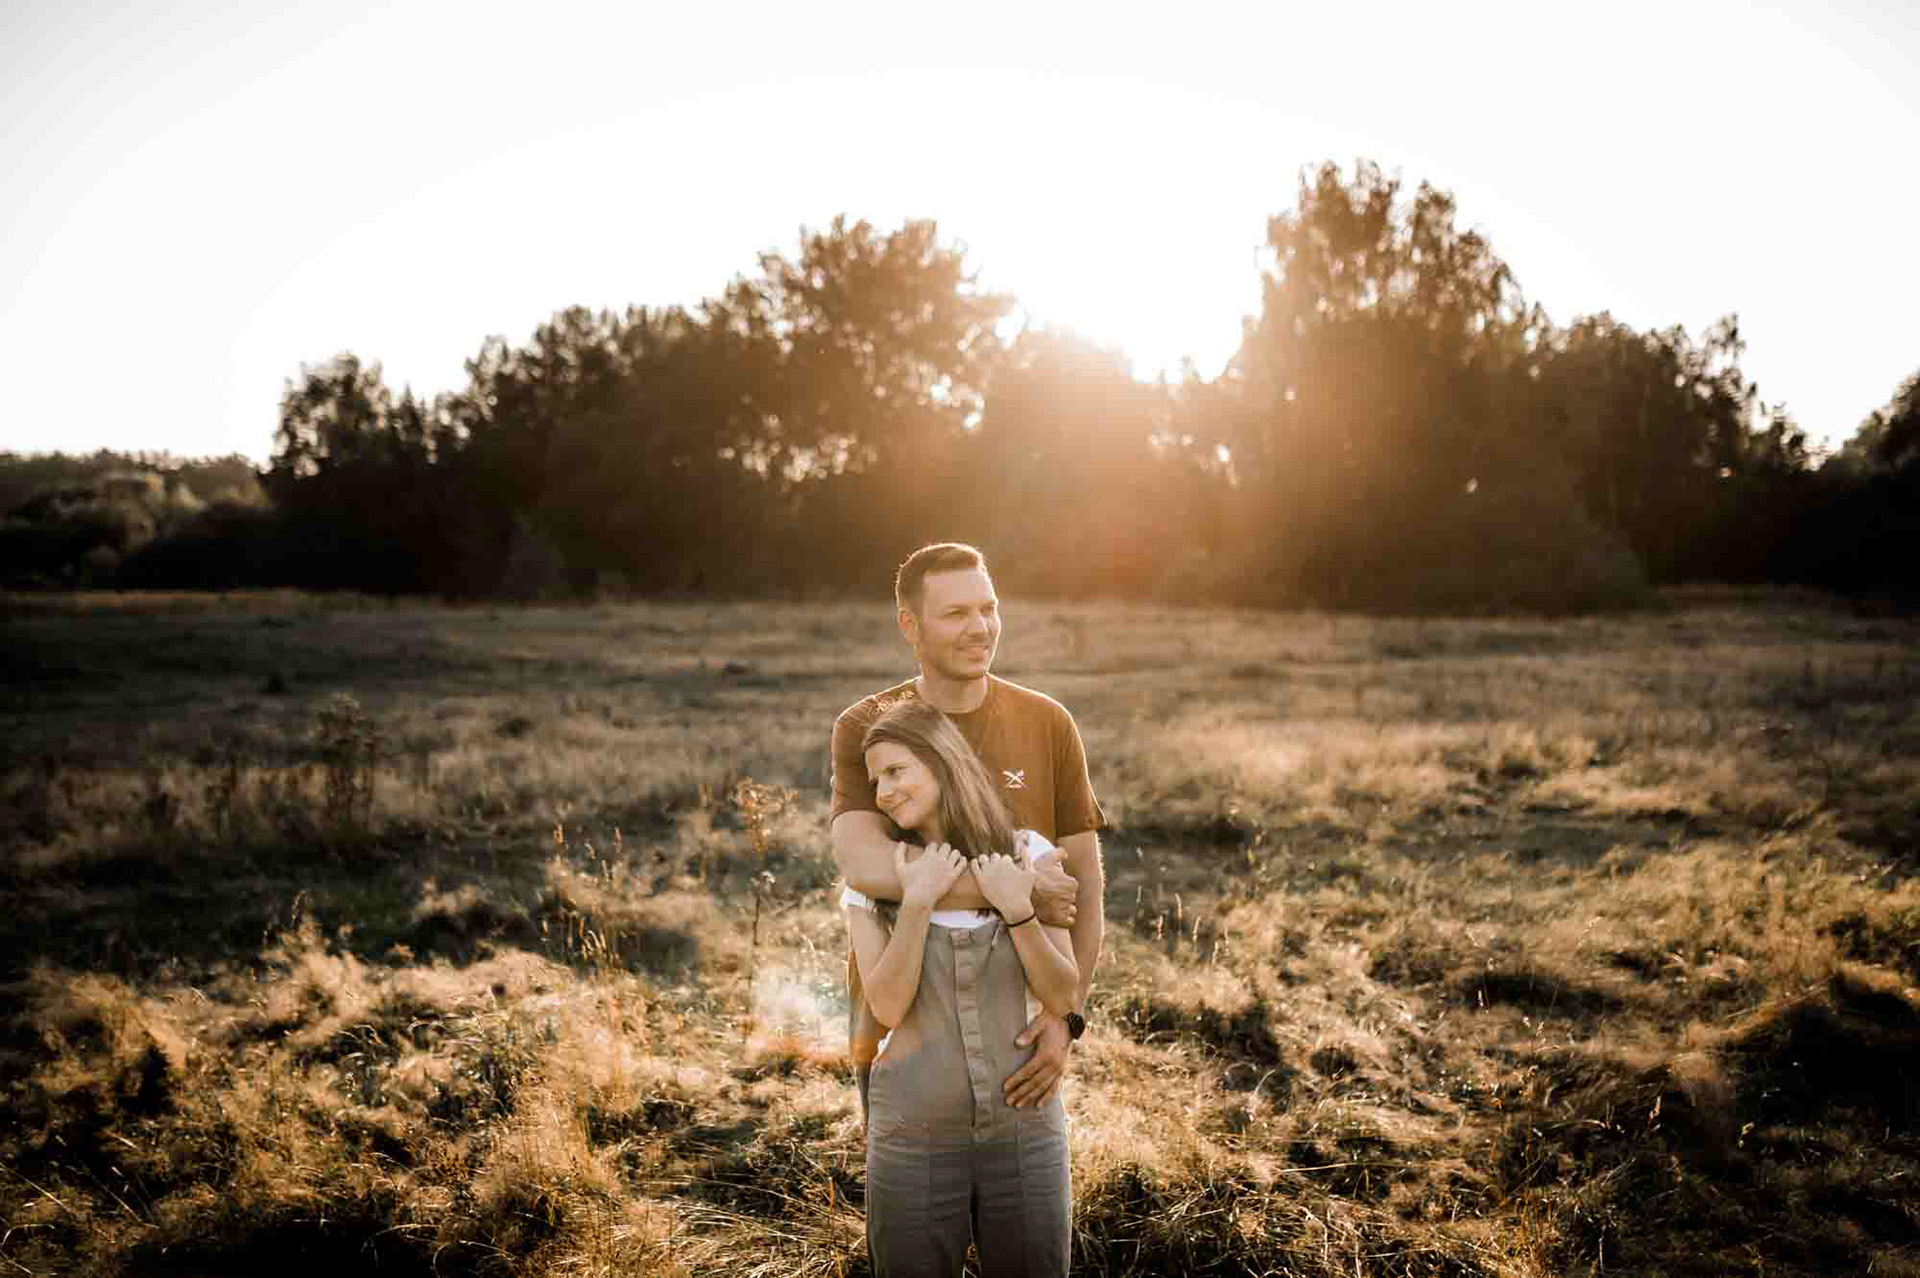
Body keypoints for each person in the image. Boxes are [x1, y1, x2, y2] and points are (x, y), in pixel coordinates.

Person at [830, 543, 1105, 1118]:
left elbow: (1083, 884)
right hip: (901, 1041)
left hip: (1019, 1041)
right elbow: (865, 866)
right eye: (956, 614)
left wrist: (1067, 1018)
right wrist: (1021, 892)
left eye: (988, 608)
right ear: (910, 625)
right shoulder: (867, 725)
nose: (980, 627)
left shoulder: (1048, 722)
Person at [844, 699, 1078, 1276]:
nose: (883, 793)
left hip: (1026, 1125)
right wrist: (918, 901)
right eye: (875, 781)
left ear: (943, 760)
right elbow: (888, 1005)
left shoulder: (1031, 854)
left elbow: (1064, 994)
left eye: (897, 770)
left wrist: (1018, 908)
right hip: (911, 1132)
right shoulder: (873, 883)